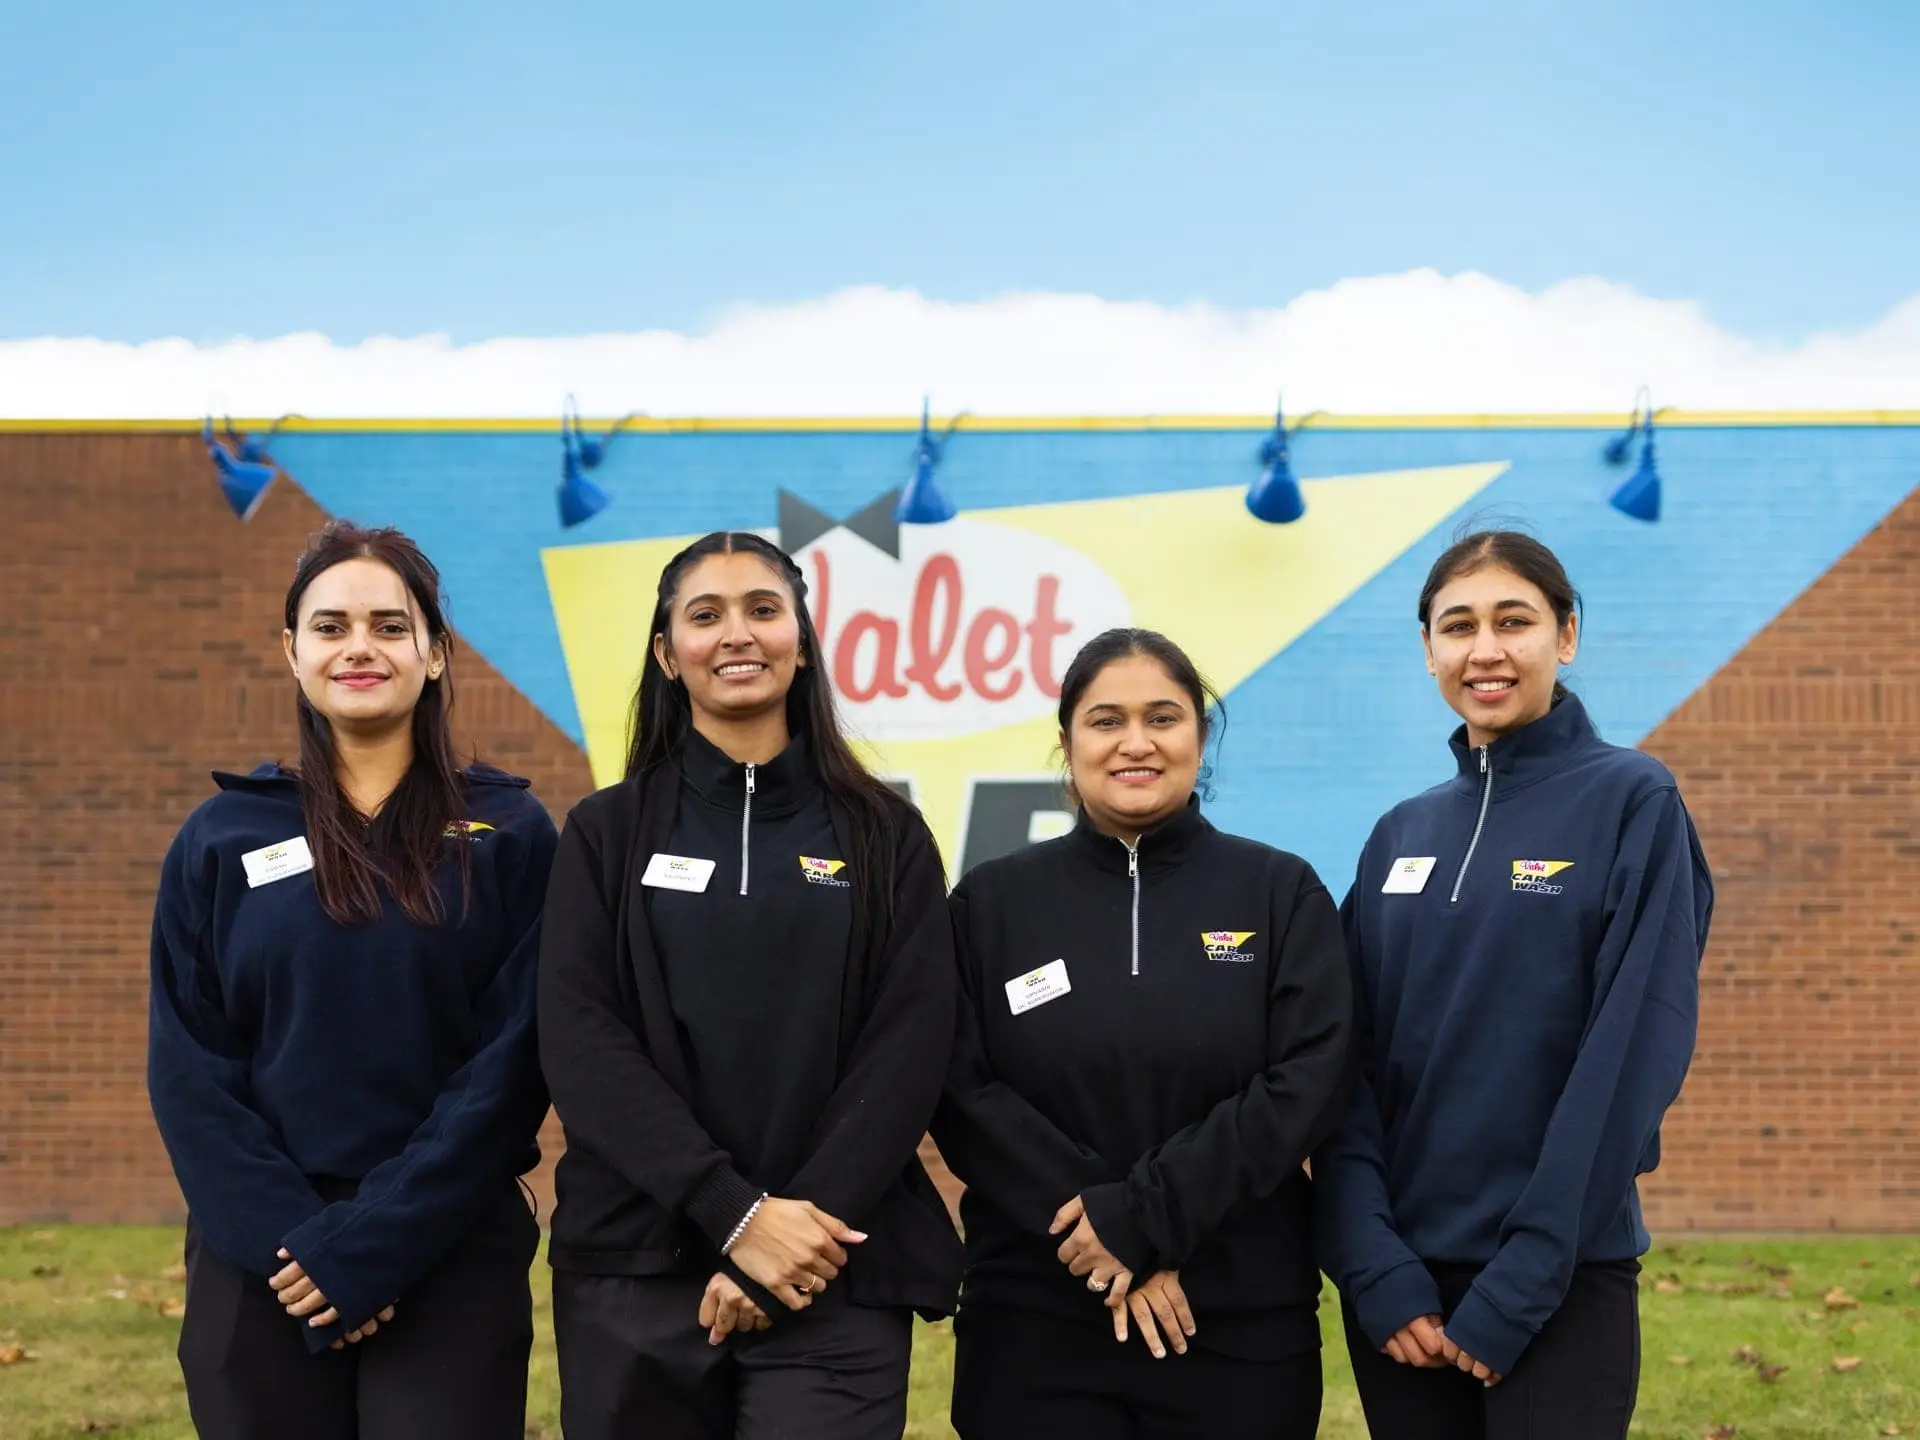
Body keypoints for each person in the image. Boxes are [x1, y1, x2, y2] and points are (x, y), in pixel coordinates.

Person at [538, 530, 962, 1440]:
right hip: (639, 1265)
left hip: (833, 1263)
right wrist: (732, 1214)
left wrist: (794, 1238)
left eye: (764, 610)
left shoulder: (887, 835)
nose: (738, 634)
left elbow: (908, 1048)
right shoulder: (605, 834)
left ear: (802, 642)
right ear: (667, 653)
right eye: (706, 615)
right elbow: (580, 1042)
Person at [147, 520, 557, 1440]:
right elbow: (190, 1071)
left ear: (437, 654)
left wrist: (376, 1246)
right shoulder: (221, 836)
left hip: (447, 1247)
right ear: (291, 651)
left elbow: (514, 1062)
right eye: (330, 627)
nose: (359, 648)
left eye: (388, 624)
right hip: (265, 1262)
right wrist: (301, 1246)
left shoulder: (514, 833)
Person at [1316, 528, 1714, 1439]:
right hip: (1405, 1296)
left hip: (1560, 1282)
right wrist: (1372, 1265)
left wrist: (1525, 1278)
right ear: (1428, 651)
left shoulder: (1632, 801)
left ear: (1566, 635)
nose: (1485, 650)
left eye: (1514, 621)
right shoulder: (1399, 835)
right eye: (1457, 626)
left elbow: (1631, 1055)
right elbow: (1342, 1068)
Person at [931, 627, 1351, 1440]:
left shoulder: (1278, 891)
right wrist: (1103, 1226)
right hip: (1035, 1320)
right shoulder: (990, 904)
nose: (1136, 743)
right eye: (1105, 720)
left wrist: (1146, 1217)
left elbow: (1311, 1077)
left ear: (1200, 735)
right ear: (1067, 741)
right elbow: (959, 1088)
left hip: (1234, 1317)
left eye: (1163, 717)